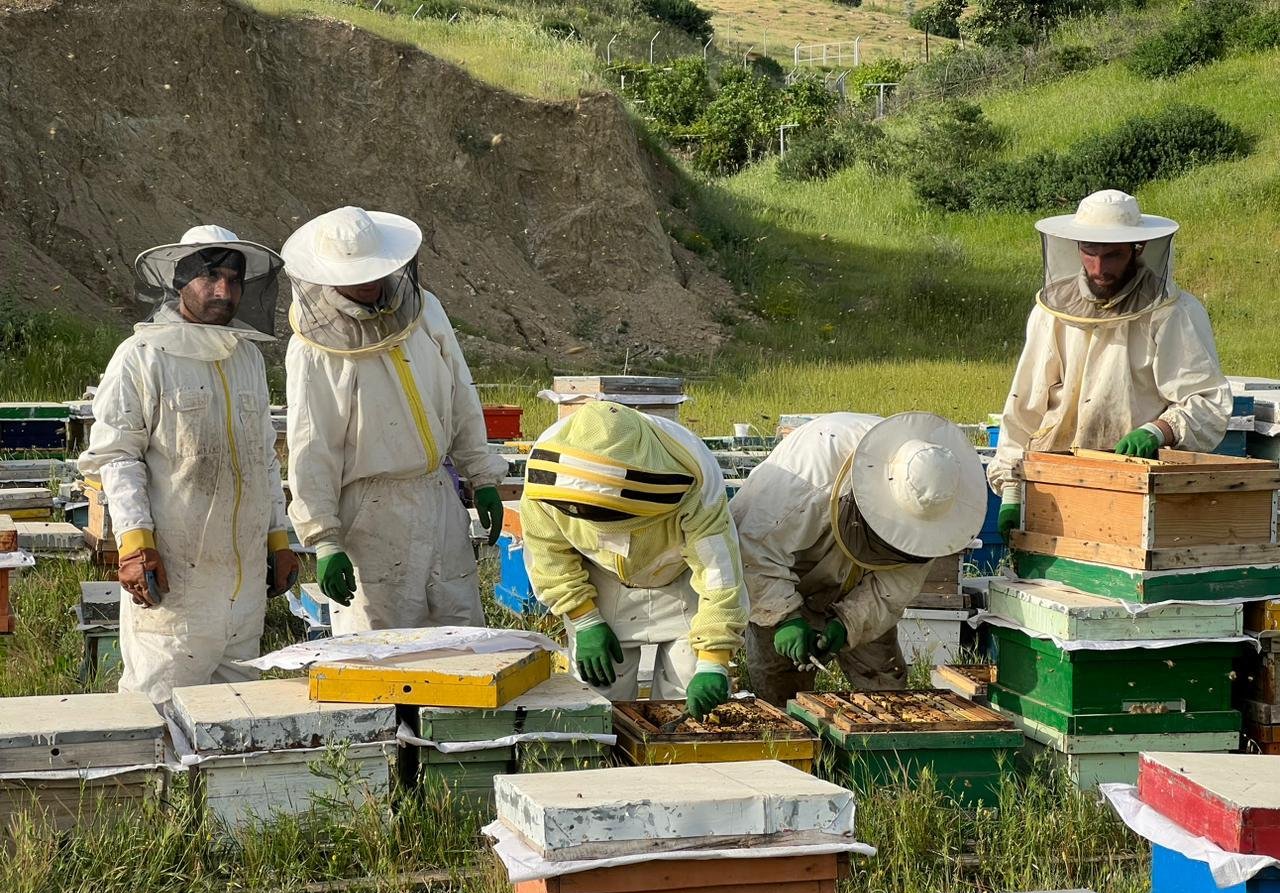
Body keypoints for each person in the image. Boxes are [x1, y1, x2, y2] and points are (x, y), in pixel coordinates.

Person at [79, 226, 298, 704]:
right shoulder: (141, 357)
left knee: (236, 718)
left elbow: (263, 458)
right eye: (210, 277)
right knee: (157, 711)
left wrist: (278, 540)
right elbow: (117, 456)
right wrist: (135, 544)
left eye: (234, 280)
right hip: (174, 583)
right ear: (180, 282)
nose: (224, 291)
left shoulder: (247, 359)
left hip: (243, 587)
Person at [282, 206, 507, 634]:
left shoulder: (427, 310)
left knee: (462, 638)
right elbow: (312, 446)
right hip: (372, 514)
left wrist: (483, 477)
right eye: (355, 274)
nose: (368, 281)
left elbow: (461, 395)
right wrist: (324, 538)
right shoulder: (313, 349)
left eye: (373, 268)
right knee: (383, 650)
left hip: (438, 498)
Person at [990, 189, 1231, 540]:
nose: (1099, 268)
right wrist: (1011, 487)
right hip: (1055, 477)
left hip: (1133, 482)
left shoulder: (1172, 313)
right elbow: (1023, 406)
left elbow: (1207, 403)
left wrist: (1158, 430)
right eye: (1089, 253)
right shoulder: (1052, 312)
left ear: (1138, 248)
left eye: (1112, 256)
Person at [731, 412, 986, 707]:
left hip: (862, 579)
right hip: (787, 568)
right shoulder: (806, 478)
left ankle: (883, 736)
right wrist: (782, 616)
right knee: (779, 685)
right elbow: (753, 550)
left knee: (885, 688)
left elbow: (895, 586)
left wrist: (847, 624)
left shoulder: (939, 505)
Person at [519, 401, 749, 719]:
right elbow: (548, 554)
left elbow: (718, 574)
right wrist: (584, 618)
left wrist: (714, 659)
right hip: (601, 581)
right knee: (597, 700)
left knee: (687, 695)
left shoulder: (695, 475)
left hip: (681, 581)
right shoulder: (546, 474)